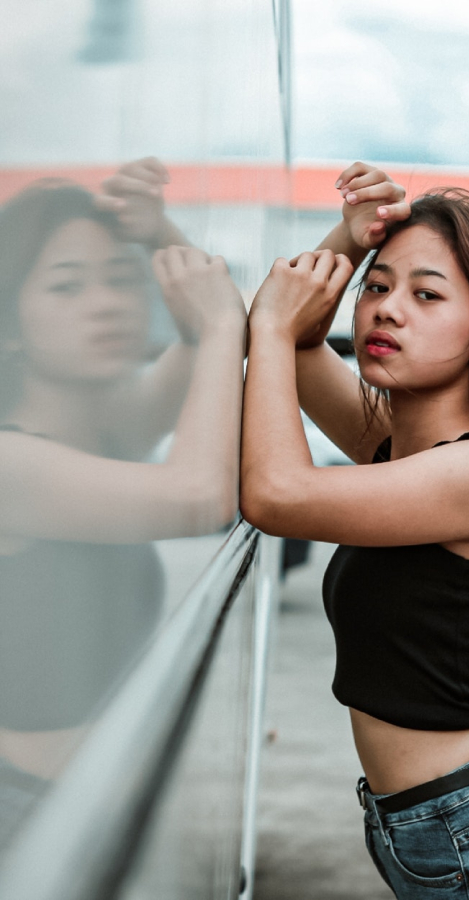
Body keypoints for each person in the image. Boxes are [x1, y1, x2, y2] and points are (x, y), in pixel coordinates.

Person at [240, 162, 469, 899]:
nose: (387, 308)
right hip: (432, 831)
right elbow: (307, 343)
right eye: (378, 286)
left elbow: (275, 494)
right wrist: (351, 235)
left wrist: (270, 324)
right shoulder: (398, 453)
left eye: (426, 294)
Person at [0, 158, 245, 847]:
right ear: (10, 323)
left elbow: (198, 343)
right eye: (66, 286)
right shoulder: (9, 465)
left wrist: (156, 230)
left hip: (95, 810)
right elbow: (198, 497)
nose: (107, 303)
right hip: (25, 825)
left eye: (120, 279)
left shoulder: (105, 428)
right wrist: (226, 321)